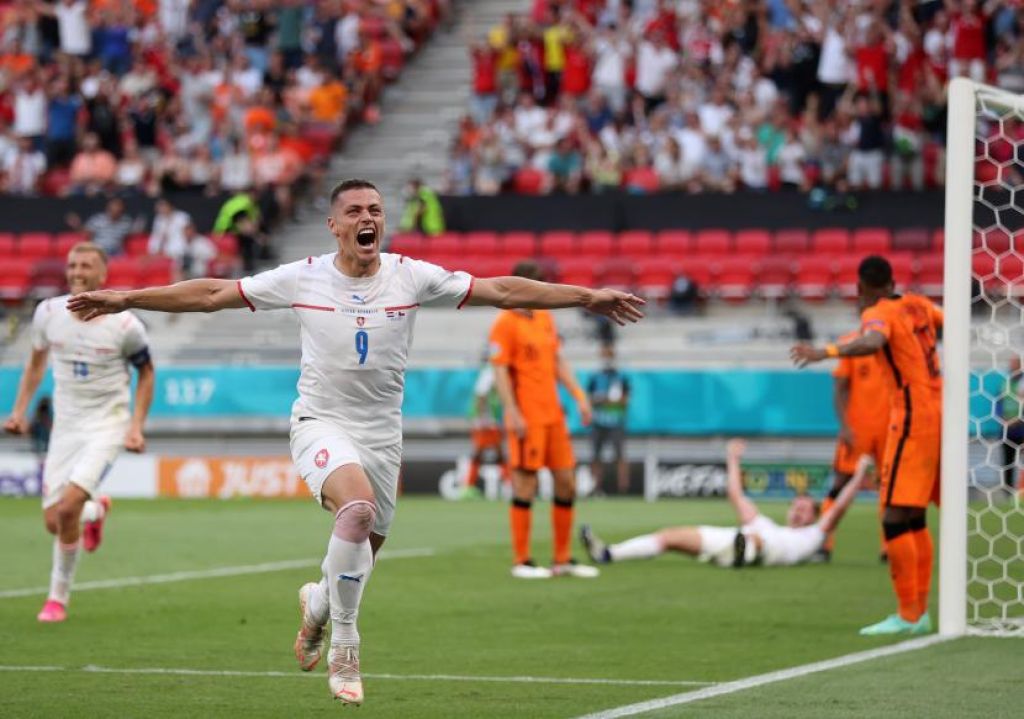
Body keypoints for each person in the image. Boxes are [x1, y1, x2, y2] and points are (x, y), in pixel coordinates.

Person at [67, 178, 644, 706]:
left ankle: (318, 603)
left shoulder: (410, 275)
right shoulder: (304, 276)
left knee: (361, 554)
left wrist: (585, 296)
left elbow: (503, 289)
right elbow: (214, 293)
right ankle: (346, 646)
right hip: (320, 421)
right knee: (358, 511)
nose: (368, 218)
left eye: (375, 210)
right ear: (334, 225)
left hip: (382, 433)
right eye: (355, 211)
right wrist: (127, 297)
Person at [791, 255, 943, 636]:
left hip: (909, 415)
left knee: (893, 517)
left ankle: (909, 614)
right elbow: (946, 324)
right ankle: (918, 612)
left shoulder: (878, 313)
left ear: (860, 288)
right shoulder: (919, 304)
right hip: (935, 411)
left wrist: (824, 352)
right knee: (913, 515)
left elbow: (874, 340)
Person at [4, 242, 155, 624]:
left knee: (67, 509)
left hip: (107, 423)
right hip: (66, 426)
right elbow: (35, 365)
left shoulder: (125, 325)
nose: (77, 272)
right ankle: (96, 509)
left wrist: (136, 426)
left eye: (86, 266)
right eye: (72, 265)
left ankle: (57, 599)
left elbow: (146, 372)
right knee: (54, 522)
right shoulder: (48, 313)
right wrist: (19, 411)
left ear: (103, 274)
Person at [581, 440, 869, 569]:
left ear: (815, 516)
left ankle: (743, 555)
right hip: (733, 539)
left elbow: (840, 507)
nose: (797, 511)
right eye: (796, 506)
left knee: (757, 540)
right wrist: (732, 458)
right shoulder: (764, 522)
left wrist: (858, 476)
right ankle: (607, 553)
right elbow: (736, 495)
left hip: (765, 547)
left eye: (804, 509)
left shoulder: (813, 534)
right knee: (670, 536)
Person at [488, 260, 599, 580]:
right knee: (526, 483)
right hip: (527, 417)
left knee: (566, 481)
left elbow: (557, 360)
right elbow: (500, 371)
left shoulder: (544, 317)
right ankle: (522, 561)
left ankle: (562, 559)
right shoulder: (505, 323)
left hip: (553, 416)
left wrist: (579, 395)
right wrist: (513, 412)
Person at [822, 329, 891, 560]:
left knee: (889, 487)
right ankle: (823, 542)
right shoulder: (850, 342)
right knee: (840, 483)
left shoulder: (895, 341)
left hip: (890, 429)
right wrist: (844, 426)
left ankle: (889, 547)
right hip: (858, 430)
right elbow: (840, 387)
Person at [461, 353, 506, 499]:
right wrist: (483, 419)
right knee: (493, 452)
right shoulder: (489, 372)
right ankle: (509, 484)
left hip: (488, 420)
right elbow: (481, 396)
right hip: (486, 422)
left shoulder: (488, 371)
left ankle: (469, 486)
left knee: (485, 452)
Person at [588, 343, 630, 495]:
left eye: (609, 356)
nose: (607, 359)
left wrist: (604, 400)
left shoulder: (621, 377)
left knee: (620, 455)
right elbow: (590, 400)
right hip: (598, 422)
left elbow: (625, 401)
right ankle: (595, 487)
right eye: (604, 356)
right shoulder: (595, 377)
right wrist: (606, 400)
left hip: (616, 422)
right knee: (595, 456)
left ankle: (623, 489)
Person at [999, 356, 1024, 490]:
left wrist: (1018, 419)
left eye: (1015, 363)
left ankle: (1021, 490)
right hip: (1007, 429)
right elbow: (999, 402)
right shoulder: (1005, 382)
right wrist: (1003, 419)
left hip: (1021, 428)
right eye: (1011, 363)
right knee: (1007, 462)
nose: (1012, 365)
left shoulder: (1022, 381)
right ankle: (1007, 491)